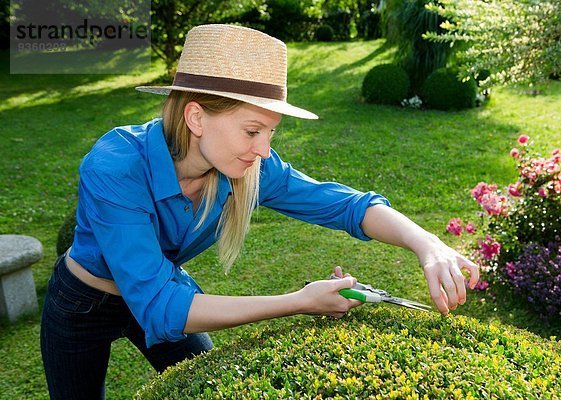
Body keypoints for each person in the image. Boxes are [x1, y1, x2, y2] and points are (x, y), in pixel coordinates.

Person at [40, 24, 479, 399]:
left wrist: (428, 244)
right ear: (196, 117)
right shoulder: (116, 165)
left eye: (270, 131)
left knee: (211, 385)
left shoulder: (249, 167)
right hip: (82, 303)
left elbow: (347, 206)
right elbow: (160, 306)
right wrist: (297, 303)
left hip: (167, 288)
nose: (264, 149)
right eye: (253, 130)